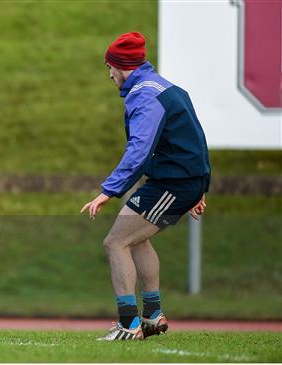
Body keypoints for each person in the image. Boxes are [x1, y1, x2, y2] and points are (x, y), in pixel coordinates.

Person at [81, 32, 210, 341]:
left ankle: (129, 324)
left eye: (108, 67)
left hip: (174, 181)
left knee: (116, 242)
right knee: (134, 240)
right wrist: (200, 185)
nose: (109, 75)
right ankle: (152, 316)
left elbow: (139, 150)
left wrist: (108, 191)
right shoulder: (166, 87)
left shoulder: (144, 95)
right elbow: (196, 138)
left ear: (120, 66)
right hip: (179, 180)